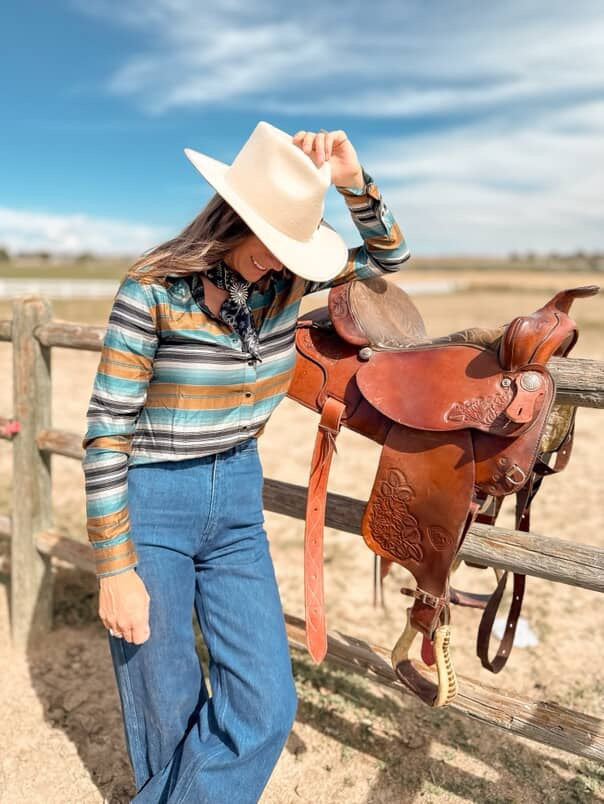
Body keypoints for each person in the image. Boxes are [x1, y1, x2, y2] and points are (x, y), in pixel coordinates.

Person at [81, 121, 410, 803]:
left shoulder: (288, 285)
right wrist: (115, 568)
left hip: (236, 499)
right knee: (166, 708)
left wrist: (353, 181)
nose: (285, 259)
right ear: (233, 216)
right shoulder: (152, 290)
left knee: (266, 701)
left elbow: (389, 258)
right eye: (274, 240)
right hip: (152, 500)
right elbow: (108, 429)